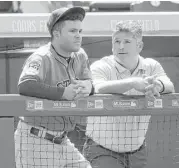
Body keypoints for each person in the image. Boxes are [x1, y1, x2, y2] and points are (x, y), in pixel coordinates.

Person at [83, 20, 175, 168]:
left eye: (127, 41)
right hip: (102, 150)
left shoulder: (151, 66)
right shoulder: (101, 66)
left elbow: (169, 85)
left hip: (137, 152)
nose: (121, 46)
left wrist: (155, 86)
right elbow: (96, 88)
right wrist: (133, 83)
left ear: (139, 46)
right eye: (117, 41)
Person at [15, 7, 93, 168]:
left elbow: (88, 81)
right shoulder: (42, 57)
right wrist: (63, 93)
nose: (78, 35)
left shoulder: (80, 55)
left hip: (63, 140)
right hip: (35, 141)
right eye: (72, 31)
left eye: (80, 30)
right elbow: (25, 85)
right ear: (56, 34)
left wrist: (89, 86)